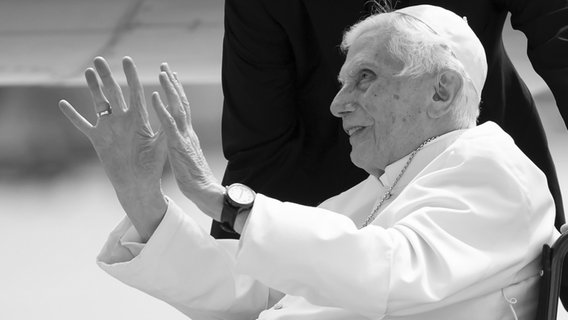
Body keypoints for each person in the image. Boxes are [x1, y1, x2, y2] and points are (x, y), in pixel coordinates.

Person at [59, 5, 558, 320]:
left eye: (364, 78)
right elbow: (248, 289)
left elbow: (390, 271)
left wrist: (226, 203)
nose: (338, 104)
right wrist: (142, 195)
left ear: (441, 89)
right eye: (341, 84)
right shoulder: (374, 191)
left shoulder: (494, 171)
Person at [215, 0, 568, 240]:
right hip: (329, 179)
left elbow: (559, 30)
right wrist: (240, 247)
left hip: (482, 167)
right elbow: (259, 143)